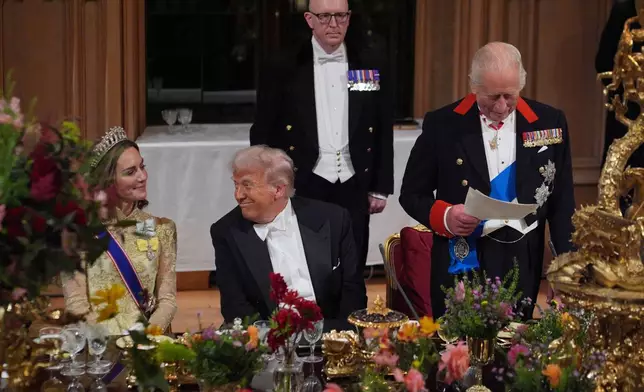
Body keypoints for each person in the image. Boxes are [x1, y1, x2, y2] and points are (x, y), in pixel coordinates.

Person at [399, 42, 575, 318]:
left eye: (510, 95)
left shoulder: (549, 122)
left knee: (517, 353)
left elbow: (563, 203)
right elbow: (411, 193)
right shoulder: (443, 125)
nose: (502, 106)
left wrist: (564, 268)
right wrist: (445, 217)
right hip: (462, 258)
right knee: (458, 355)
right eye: (493, 96)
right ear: (474, 86)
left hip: (522, 260)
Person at [249, 0, 394, 273]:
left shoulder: (368, 62)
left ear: (349, 18)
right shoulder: (284, 65)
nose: (333, 24)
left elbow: (380, 125)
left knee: (351, 266)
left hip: (354, 181)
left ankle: (350, 315)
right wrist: (267, 184)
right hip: (303, 180)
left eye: (340, 16)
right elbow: (263, 130)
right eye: (325, 16)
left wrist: (380, 185)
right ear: (309, 19)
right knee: (305, 266)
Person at [211, 145, 367, 331]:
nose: (238, 196)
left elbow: (353, 292)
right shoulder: (227, 232)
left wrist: (336, 337)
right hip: (269, 341)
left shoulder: (333, 219)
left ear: (278, 190)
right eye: (236, 185)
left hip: (330, 337)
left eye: (247, 185)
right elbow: (235, 307)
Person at [62, 126, 177, 334]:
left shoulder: (162, 229)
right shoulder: (76, 234)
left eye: (142, 167)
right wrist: (107, 345)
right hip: (100, 349)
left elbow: (167, 300)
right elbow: (75, 304)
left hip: (147, 345)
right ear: (107, 181)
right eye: (130, 172)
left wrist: (147, 337)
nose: (142, 176)